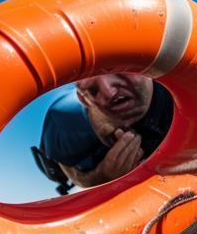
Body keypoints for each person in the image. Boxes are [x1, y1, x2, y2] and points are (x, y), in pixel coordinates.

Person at [33, 73, 174, 191]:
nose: (110, 92)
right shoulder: (64, 123)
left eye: (120, 71)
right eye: (93, 89)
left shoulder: (180, 89)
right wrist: (101, 177)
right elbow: (70, 170)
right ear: (83, 99)